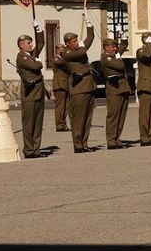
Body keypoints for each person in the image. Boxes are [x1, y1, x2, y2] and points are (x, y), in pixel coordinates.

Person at [63, 16, 96, 153]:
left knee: (87, 117)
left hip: (88, 85)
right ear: (67, 43)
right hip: (78, 88)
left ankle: (84, 143)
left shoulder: (78, 50)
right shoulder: (67, 53)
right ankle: (78, 144)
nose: (76, 43)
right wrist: (82, 45)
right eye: (74, 41)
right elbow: (83, 50)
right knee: (78, 118)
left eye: (77, 40)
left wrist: (88, 24)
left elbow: (90, 38)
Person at [15, 20, 45, 158]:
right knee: (29, 123)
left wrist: (38, 30)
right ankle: (28, 149)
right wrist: (38, 61)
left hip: (38, 92)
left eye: (31, 42)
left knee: (38, 122)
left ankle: (36, 148)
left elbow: (41, 44)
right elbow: (35, 67)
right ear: (21, 46)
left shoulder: (31, 55)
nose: (31, 45)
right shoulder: (21, 57)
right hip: (30, 93)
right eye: (28, 43)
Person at [101, 35, 130, 149]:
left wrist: (122, 35)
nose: (115, 49)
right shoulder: (106, 58)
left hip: (122, 87)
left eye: (115, 46)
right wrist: (118, 56)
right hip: (114, 89)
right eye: (112, 47)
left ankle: (117, 137)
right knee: (113, 115)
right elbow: (120, 65)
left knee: (121, 115)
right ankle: (111, 140)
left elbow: (124, 45)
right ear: (106, 48)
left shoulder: (114, 56)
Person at [136, 31, 151, 146]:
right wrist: (148, 44)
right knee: (145, 113)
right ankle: (144, 137)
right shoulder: (141, 51)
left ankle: (149, 136)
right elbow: (146, 57)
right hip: (146, 86)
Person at [51, 44, 70, 131]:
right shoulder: (56, 59)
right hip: (59, 85)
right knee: (60, 107)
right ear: (58, 49)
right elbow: (61, 63)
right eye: (63, 49)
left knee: (65, 106)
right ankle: (59, 125)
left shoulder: (63, 59)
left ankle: (63, 124)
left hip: (65, 85)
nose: (64, 51)